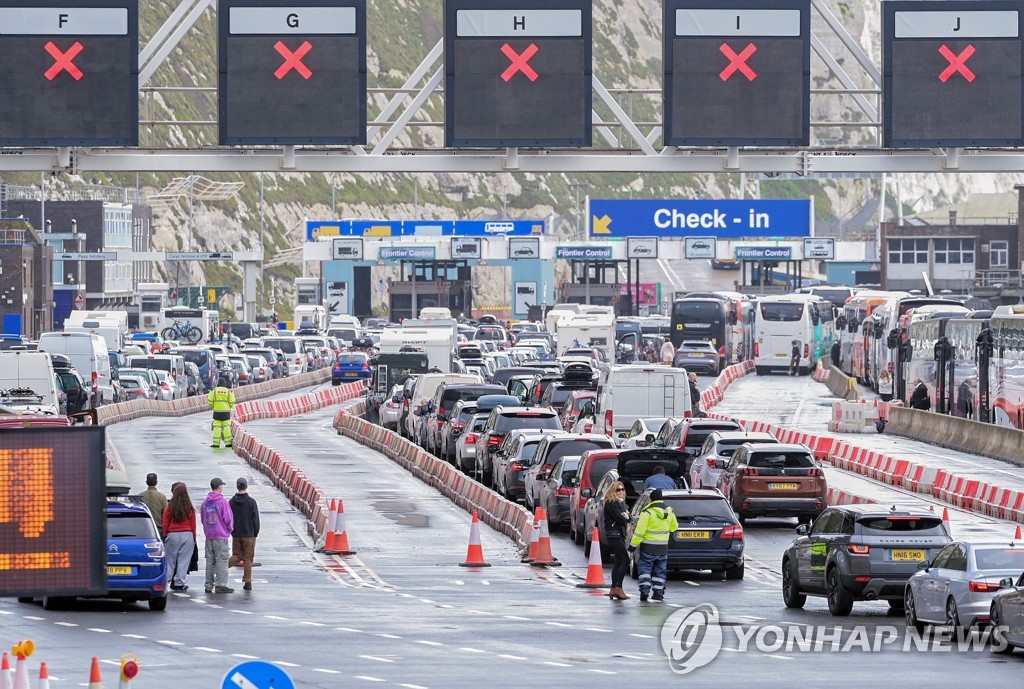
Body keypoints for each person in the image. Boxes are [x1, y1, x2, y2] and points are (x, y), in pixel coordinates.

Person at [628, 489, 678, 602]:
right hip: (662, 548)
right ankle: (658, 594)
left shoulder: (647, 513)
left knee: (645, 570)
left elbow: (640, 532)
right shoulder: (669, 512)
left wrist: (633, 545)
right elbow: (674, 527)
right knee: (660, 571)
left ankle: (644, 592)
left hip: (648, 548)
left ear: (651, 499)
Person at [201, 477, 235, 593]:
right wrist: (228, 531)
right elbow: (228, 519)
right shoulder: (222, 502)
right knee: (221, 560)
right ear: (219, 487)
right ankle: (220, 584)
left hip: (209, 535)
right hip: (220, 536)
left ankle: (208, 585)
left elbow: (202, 519)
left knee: (210, 561)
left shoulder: (205, 502)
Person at [162, 483, 196, 591]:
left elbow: (165, 522)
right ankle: (179, 582)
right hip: (187, 534)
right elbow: (193, 523)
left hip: (172, 534)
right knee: (183, 561)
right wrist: (193, 537)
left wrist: (165, 535)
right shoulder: (189, 507)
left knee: (169, 561)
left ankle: (165, 581)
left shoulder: (170, 506)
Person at [228, 477, 261, 591]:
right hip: (249, 534)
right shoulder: (251, 502)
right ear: (246, 486)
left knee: (236, 556)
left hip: (236, 534)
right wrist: (255, 532)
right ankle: (247, 582)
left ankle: (221, 568)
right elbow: (255, 519)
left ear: (237, 487)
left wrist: (232, 531)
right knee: (248, 558)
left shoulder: (231, 502)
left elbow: (229, 518)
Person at [603, 481, 632, 601]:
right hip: (614, 534)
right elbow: (621, 518)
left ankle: (613, 588)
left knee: (618, 562)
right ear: (613, 492)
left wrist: (626, 515)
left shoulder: (621, 503)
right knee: (625, 560)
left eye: (622, 490)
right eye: (618, 490)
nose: (621, 492)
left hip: (619, 534)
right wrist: (625, 515)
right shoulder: (612, 503)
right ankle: (618, 587)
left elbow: (628, 517)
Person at [208, 377, 236, 448]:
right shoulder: (228, 391)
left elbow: (210, 401)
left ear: (218, 383)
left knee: (217, 427)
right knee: (226, 427)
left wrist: (214, 406)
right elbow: (232, 401)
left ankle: (216, 444)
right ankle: (228, 443)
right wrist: (227, 406)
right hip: (226, 412)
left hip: (217, 412)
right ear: (224, 384)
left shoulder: (214, 391)